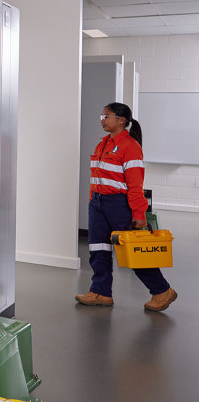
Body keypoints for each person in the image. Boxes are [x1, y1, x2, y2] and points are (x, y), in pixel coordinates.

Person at [76, 102, 177, 312]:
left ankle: (162, 291)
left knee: (132, 251)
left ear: (122, 120)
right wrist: (92, 199)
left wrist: (139, 213)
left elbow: (135, 185)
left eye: (107, 116)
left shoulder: (131, 147)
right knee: (98, 248)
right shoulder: (102, 144)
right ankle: (101, 292)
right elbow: (97, 176)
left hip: (119, 204)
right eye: (101, 116)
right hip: (98, 203)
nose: (103, 120)